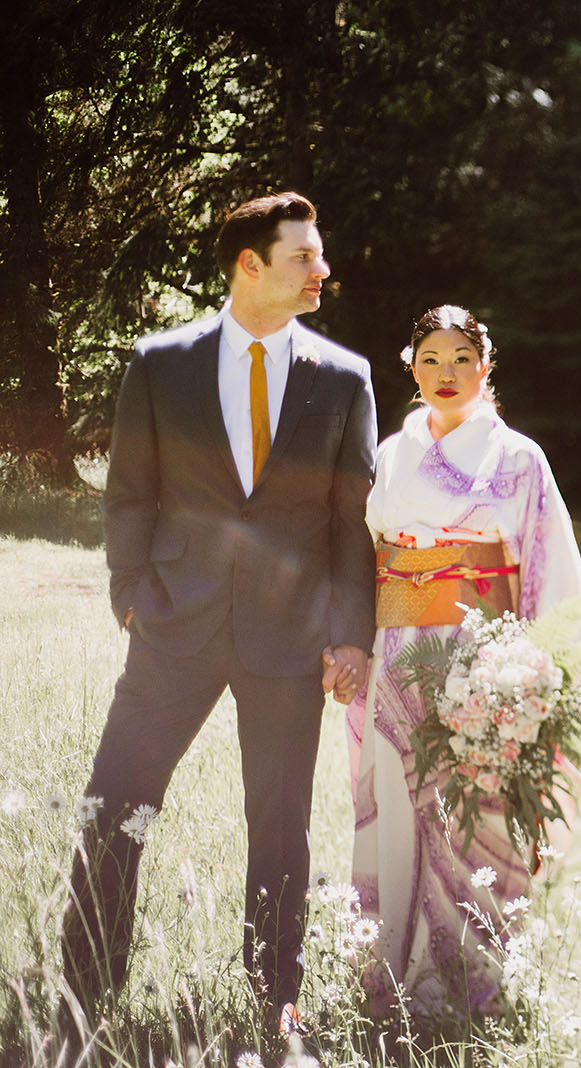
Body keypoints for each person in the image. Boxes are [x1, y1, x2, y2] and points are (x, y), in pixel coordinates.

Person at [59, 192, 378, 1046]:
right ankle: (84, 989)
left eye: (318, 254)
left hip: (291, 641)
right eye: (303, 256)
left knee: (280, 824)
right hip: (173, 627)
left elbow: (352, 523)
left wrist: (350, 633)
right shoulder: (161, 363)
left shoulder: (345, 378)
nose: (321, 270)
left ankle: (276, 998)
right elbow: (130, 493)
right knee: (115, 802)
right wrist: (131, 593)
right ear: (251, 265)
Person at [345, 304, 581, 1016]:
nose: (446, 374)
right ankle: (392, 978)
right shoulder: (391, 453)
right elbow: (366, 556)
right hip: (398, 655)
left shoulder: (519, 458)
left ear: (486, 367)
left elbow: (548, 565)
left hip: (479, 662)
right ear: (410, 367)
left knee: (474, 812)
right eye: (430, 359)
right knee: (398, 807)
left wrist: (535, 670)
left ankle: (470, 981)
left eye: (461, 359)